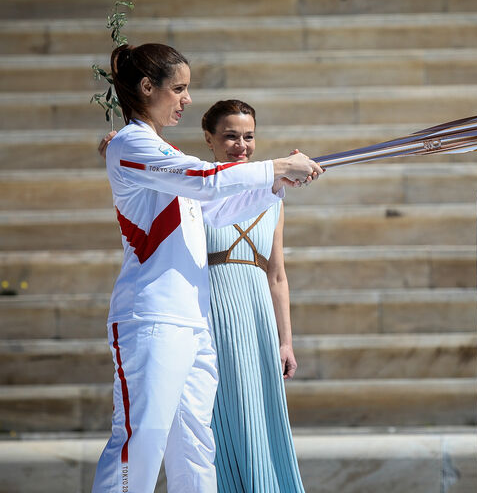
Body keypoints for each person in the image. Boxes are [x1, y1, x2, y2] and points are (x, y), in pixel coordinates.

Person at [92, 43, 322, 493]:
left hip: (193, 323)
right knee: (140, 444)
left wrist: (276, 183)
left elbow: (211, 210)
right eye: (178, 88)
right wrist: (275, 165)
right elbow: (208, 179)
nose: (187, 99)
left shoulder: (159, 150)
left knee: (197, 447)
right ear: (146, 87)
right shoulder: (132, 143)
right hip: (151, 318)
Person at [201, 100, 305, 492]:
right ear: (209, 139)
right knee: (224, 418)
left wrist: (286, 341)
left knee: (262, 418)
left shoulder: (273, 195)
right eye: (229, 136)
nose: (240, 145)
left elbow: (277, 276)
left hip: (257, 315)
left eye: (248, 136)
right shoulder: (197, 186)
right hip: (214, 313)